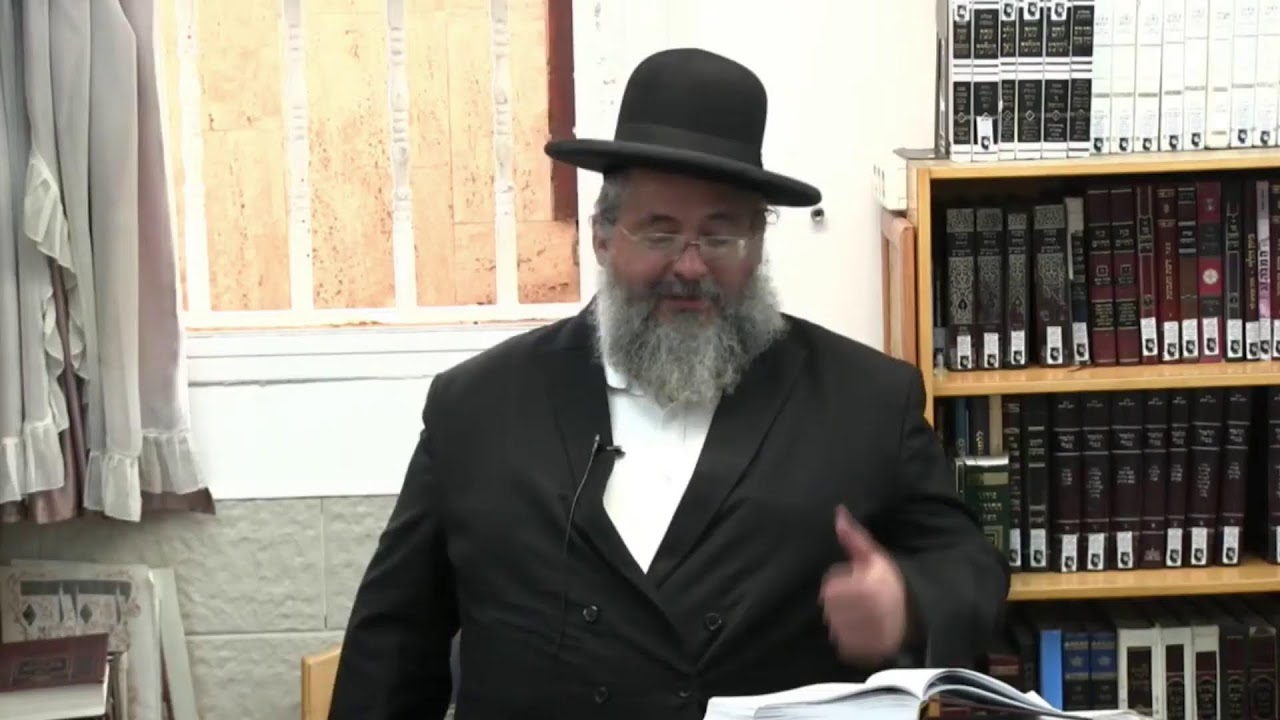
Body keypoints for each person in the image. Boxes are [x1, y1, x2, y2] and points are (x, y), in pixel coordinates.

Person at [328, 47, 1009, 720]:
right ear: (602, 236)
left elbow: (970, 568)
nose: (690, 266)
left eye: (721, 235)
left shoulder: (865, 401)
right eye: (659, 234)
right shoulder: (477, 408)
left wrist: (908, 602)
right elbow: (390, 653)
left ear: (758, 244)